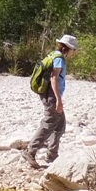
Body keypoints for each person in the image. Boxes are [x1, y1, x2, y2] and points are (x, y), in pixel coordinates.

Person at [21, 34, 79, 169]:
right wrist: (58, 100)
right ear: (68, 48)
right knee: (49, 123)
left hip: (49, 94)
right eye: (73, 49)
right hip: (52, 95)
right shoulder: (59, 59)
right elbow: (54, 78)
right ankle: (30, 151)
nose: (74, 52)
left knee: (60, 125)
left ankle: (52, 155)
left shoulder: (53, 55)